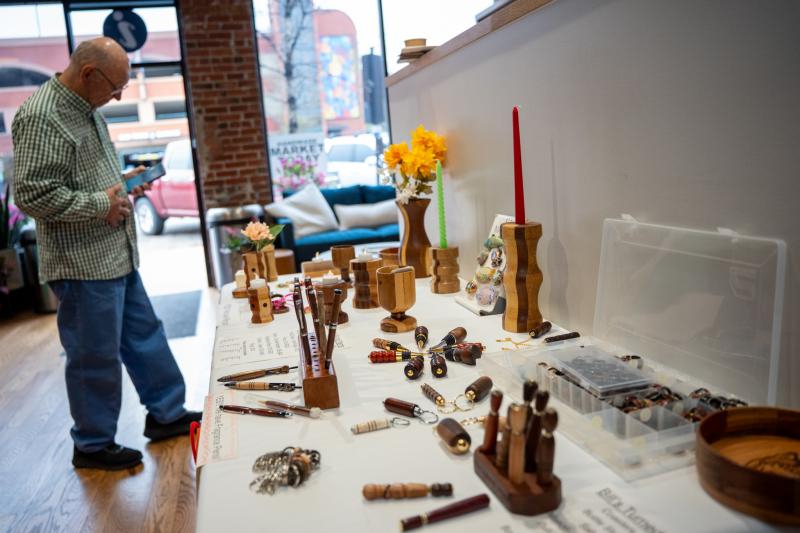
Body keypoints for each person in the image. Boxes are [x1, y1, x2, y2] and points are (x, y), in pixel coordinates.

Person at [12, 37, 201, 471]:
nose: (118, 96)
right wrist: (101, 204)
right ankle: (93, 445)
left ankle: (167, 415)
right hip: (82, 264)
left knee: (144, 335)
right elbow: (32, 194)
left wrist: (123, 180)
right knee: (93, 355)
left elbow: (79, 177)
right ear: (89, 74)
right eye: (116, 87)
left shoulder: (83, 107)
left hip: (113, 252)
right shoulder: (43, 116)